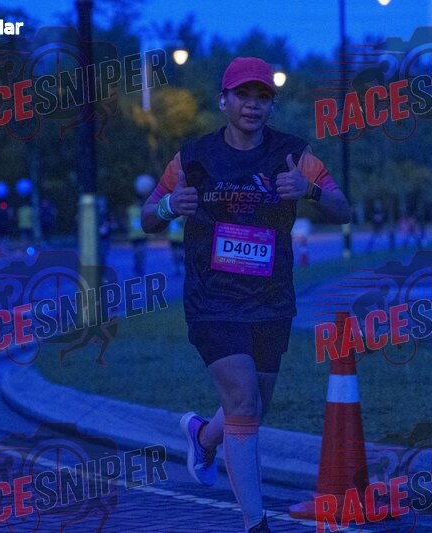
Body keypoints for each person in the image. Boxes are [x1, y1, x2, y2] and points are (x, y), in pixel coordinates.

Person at [141, 57, 350, 533]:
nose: (252, 105)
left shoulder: (294, 155)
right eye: (242, 95)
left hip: (271, 299)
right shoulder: (194, 157)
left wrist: (310, 191)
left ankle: (203, 437)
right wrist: (171, 204)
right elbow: (148, 214)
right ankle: (256, 524)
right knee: (244, 402)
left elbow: (343, 208)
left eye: (262, 97)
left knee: (251, 407)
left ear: (271, 105)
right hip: (212, 299)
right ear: (224, 101)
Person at [126, 195, 147, 277]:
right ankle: (137, 266)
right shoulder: (130, 209)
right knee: (136, 254)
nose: (138, 202)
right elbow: (126, 220)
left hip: (143, 235)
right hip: (133, 236)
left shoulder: (144, 209)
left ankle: (140, 268)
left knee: (142, 253)